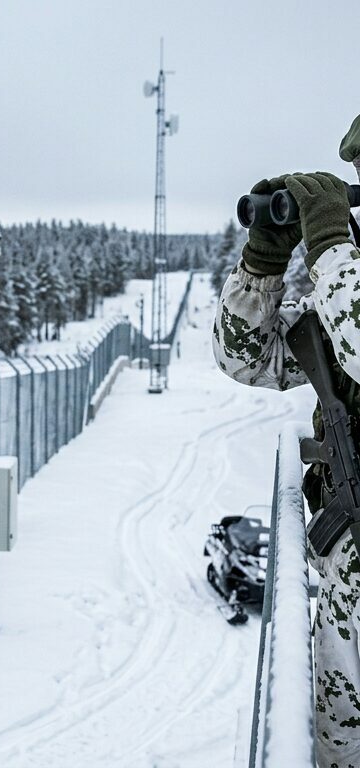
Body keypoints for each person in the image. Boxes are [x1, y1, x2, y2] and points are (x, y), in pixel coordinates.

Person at [212, 113, 360, 768]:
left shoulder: (345, 272)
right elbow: (249, 359)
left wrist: (329, 242)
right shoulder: (347, 279)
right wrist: (264, 260)